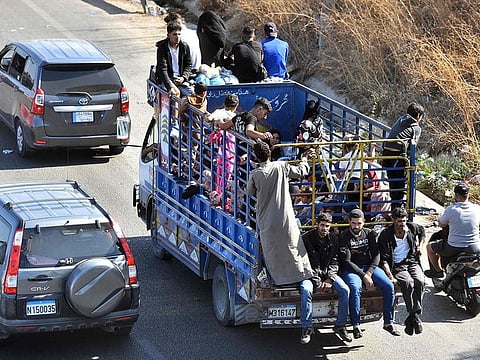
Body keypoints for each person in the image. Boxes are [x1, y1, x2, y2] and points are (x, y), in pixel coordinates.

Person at [247, 141, 315, 343]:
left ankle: (274, 279)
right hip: (286, 220)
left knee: (271, 252)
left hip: (267, 222)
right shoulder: (280, 166)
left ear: (256, 156)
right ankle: (302, 276)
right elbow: (302, 170)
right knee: (293, 250)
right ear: (270, 154)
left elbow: (250, 192)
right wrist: (304, 157)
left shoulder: (256, 174)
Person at [339, 209, 400, 338]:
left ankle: (388, 322)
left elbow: (376, 255)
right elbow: (347, 261)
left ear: (364, 222)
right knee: (355, 288)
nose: (356, 226)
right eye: (354, 223)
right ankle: (356, 325)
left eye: (359, 223)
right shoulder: (344, 237)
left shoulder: (369, 234)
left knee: (389, 286)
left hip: (369, 268)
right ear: (349, 222)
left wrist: (370, 272)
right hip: (352, 270)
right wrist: (364, 276)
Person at [302, 213, 352, 344]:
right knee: (306, 290)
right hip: (309, 275)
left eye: (327, 226)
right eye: (322, 225)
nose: (324, 228)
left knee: (345, 290)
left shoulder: (333, 239)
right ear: (317, 224)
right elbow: (303, 262)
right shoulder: (306, 238)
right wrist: (316, 281)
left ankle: (340, 325)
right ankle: (307, 327)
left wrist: (330, 279)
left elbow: (335, 261)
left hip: (329, 275)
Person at [378, 207, 426, 336]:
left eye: (404, 221)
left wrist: (419, 246)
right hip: (397, 266)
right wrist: (390, 276)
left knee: (420, 281)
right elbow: (383, 259)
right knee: (408, 283)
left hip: (411, 261)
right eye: (399, 221)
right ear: (393, 220)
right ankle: (414, 316)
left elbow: (422, 232)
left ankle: (413, 315)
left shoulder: (411, 228)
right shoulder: (385, 235)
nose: (402, 224)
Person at [425, 182, 480, 278]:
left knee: (429, 247)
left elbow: (442, 224)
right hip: (474, 246)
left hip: (454, 246)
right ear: (469, 195)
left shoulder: (451, 210)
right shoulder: (477, 208)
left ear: (456, 195)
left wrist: (439, 220)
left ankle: (438, 272)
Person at [382, 102, 425, 209]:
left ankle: (394, 206)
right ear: (419, 116)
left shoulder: (400, 120)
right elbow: (413, 145)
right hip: (398, 156)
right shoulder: (416, 128)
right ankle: (399, 207)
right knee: (400, 183)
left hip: (386, 154)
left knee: (393, 182)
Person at [209, 94, 239, 195]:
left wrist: (217, 122)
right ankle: (221, 199)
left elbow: (208, 118)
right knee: (225, 179)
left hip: (220, 151)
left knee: (219, 178)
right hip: (229, 153)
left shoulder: (218, 113)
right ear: (236, 106)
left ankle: (218, 197)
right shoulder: (235, 117)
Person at [155, 22, 193, 97]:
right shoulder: (162, 48)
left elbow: (188, 65)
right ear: (168, 35)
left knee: (192, 96)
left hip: (180, 80)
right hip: (168, 80)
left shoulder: (184, 46)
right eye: (174, 34)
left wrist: (183, 77)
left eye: (179, 34)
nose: (177, 37)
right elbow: (163, 69)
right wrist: (169, 87)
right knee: (176, 94)